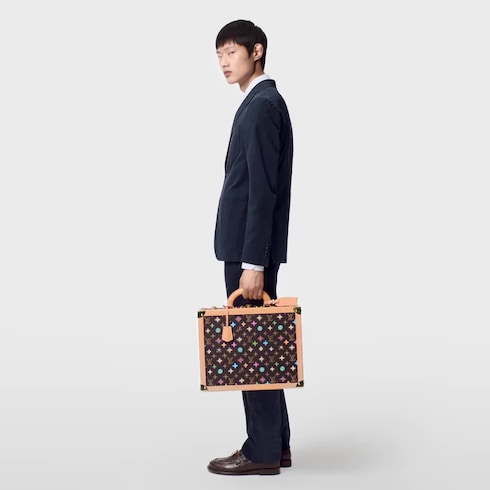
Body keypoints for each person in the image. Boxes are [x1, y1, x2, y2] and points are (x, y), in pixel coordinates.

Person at [207, 19, 295, 476]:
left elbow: (262, 190)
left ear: (256, 51)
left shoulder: (261, 105)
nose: (224, 62)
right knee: (265, 342)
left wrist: (253, 263)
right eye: (218, 54)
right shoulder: (259, 102)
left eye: (231, 52)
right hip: (247, 247)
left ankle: (261, 452)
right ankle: (276, 444)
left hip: (248, 251)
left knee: (253, 348)